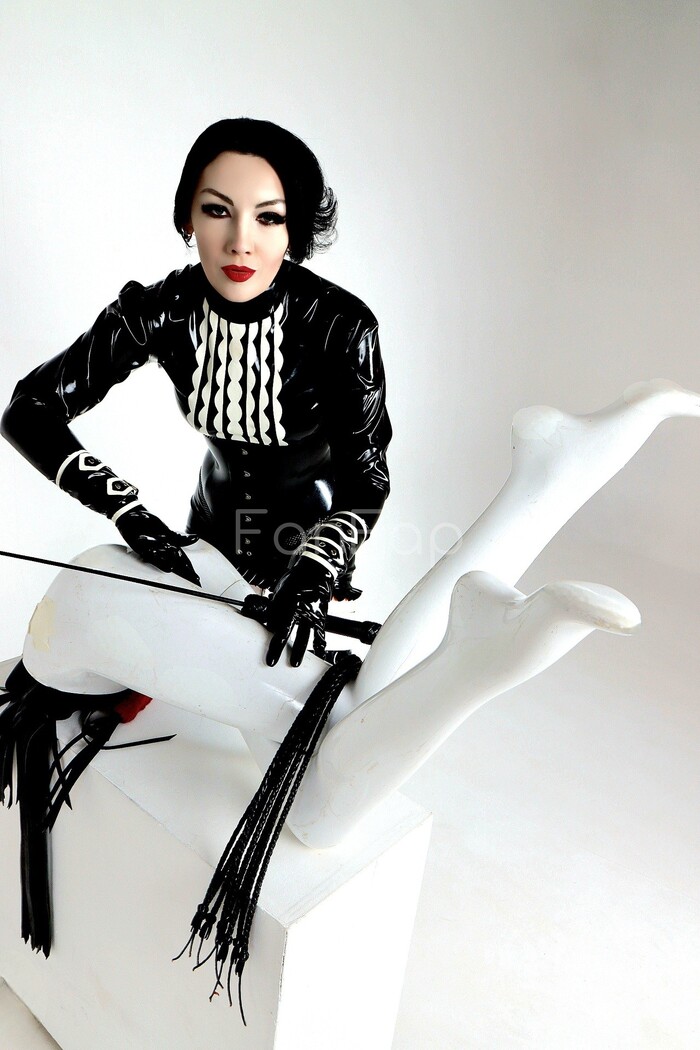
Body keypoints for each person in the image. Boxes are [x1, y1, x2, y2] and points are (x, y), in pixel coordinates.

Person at [2, 118, 392, 666]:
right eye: (216, 210)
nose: (240, 243)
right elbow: (29, 409)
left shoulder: (340, 326)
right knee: (167, 672)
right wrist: (124, 510)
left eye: (269, 217)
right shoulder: (159, 312)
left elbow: (367, 478)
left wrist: (317, 564)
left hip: (310, 543)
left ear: (295, 229)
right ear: (189, 216)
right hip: (207, 531)